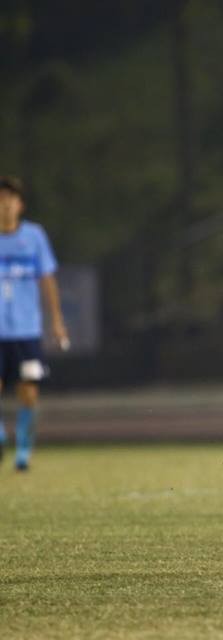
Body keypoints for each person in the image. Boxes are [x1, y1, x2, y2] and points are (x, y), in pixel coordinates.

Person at [0, 176, 69, 470]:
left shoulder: (34, 236)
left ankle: (23, 452)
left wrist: (56, 320)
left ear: (20, 205)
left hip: (26, 330)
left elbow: (47, 280)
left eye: (10, 198)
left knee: (29, 392)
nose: (5, 203)